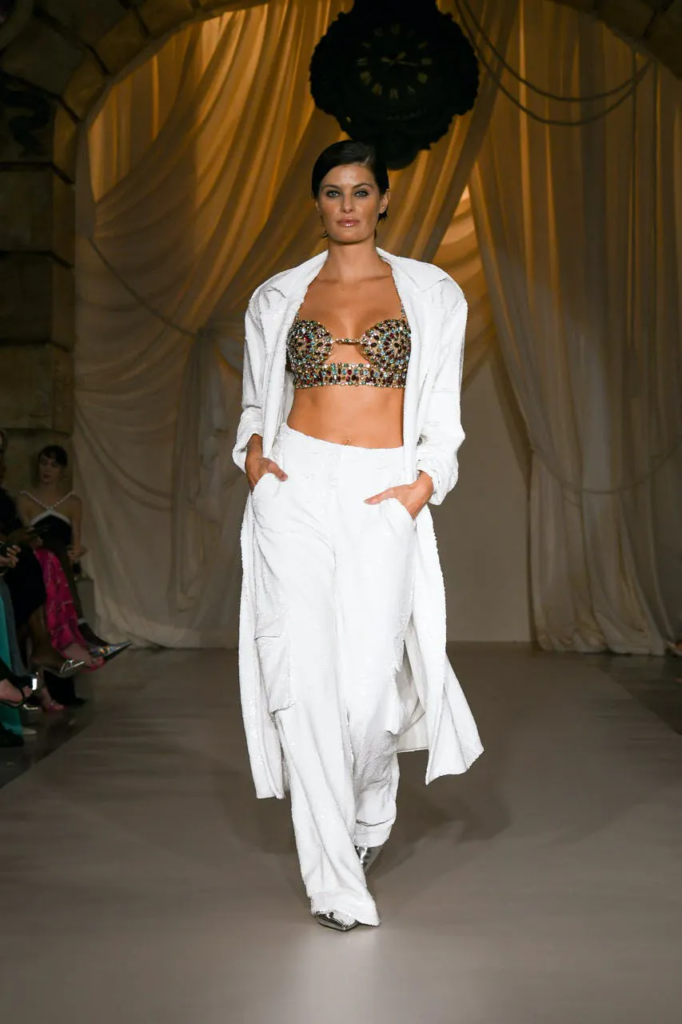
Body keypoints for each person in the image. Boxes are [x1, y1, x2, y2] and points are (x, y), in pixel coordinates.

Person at [232, 141, 483, 932]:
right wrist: (255, 463)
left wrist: (421, 488)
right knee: (303, 683)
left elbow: (442, 413)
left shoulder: (432, 293)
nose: (348, 204)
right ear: (317, 202)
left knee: (369, 693)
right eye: (334, 191)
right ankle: (335, 880)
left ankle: (370, 805)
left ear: (384, 200)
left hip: (383, 491)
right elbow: (256, 403)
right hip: (295, 486)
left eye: (362, 190)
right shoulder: (277, 296)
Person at [17, 445, 130, 661]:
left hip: (63, 563)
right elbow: (26, 536)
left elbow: (76, 544)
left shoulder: (73, 502)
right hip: (37, 559)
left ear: (62, 471)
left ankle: (77, 636)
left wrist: (76, 552)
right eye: (43, 463)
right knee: (51, 550)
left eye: (53, 465)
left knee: (59, 551)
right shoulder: (25, 499)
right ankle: (83, 628)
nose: (47, 469)